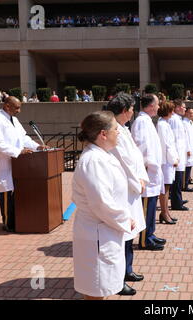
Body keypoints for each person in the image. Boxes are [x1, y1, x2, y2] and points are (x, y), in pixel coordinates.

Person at [72, 111, 135, 300]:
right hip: (98, 233)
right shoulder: (93, 161)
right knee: (96, 290)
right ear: (103, 134)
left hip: (105, 231)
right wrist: (125, 219)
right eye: (116, 129)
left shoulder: (102, 155)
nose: (119, 133)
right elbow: (101, 203)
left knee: (102, 286)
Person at [105, 93, 148, 295]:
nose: (133, 112)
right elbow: (124, 161)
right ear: (124, 110)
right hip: (124, 188)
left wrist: (141, 178)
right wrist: (138, 182)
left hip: (131, 187)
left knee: (130, 233)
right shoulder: (114, 130)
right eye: (131, 108)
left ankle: (127, 270)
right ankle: (118, 278)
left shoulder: (122, 128)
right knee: (122, 234)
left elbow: (135, 157)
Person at [0, 96, 48, 232]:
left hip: (18, 163)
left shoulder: (14, 119)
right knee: (7, 193)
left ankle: (18, 220)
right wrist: (18, 151)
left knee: (16, 193)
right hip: (3, 162)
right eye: (17, 107)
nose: (19, 111)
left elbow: (24, 138)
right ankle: (8, 223)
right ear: (7, 106)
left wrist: (37, 147)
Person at [131, 94, 167, 250]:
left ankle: (150, 233)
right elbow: (141, 147)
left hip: (152, 171)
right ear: (151, 105)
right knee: (147, 207)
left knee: (151, 206)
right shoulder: (141, 122)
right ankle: (145, 240)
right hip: (147, 171)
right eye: (157, 104)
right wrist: (146, 166)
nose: (159, 107)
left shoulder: (146, 121)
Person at [156, 102, 179, 224]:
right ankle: (164, 213)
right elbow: (166, 144)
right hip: (165, 161)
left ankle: (165, 212)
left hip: (168, 160)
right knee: (164, 188)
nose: (173, 113)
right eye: (171, 110)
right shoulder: (162, 124)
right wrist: (173, 159)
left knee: (167, 187)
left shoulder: (165, 123)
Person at [168, 99, 190, 210]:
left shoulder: (177, 119)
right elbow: (175, 139)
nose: (185, 109)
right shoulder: (174, 120)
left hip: (180, 154)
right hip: (177, 155)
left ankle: (178, 199)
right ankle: (176, 203)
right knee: (176, 182)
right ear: (177, 107)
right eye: (183, 107)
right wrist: (176, 157)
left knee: (178, 181)